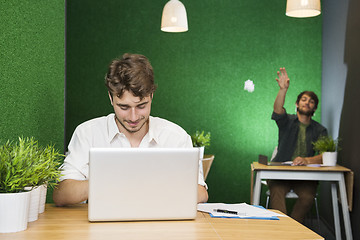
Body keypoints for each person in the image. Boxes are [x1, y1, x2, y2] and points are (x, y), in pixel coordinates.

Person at [53, 53, 208, 206]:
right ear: (110, 98)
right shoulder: (87, 133)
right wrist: (111, 181)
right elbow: (61, 194)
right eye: (124, 107)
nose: (133, 117)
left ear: (151, 96)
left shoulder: (175, 137)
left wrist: (151, 184)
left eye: (141, 106)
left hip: (161, 228)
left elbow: (201, 193)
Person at [268, 67, 328, 223]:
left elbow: (325, 156)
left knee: (308, 197)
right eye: (304, 99)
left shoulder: (320, 130)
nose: (307, 102)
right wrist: (283, 90)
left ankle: (292, 230)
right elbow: (277, 110)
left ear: (314, 108)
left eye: (311, 101)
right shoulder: (286, 121)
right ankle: (283, 232)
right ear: (297, 103)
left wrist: (307, 160)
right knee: (276, 193)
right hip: (280, 174)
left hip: (305, 177)